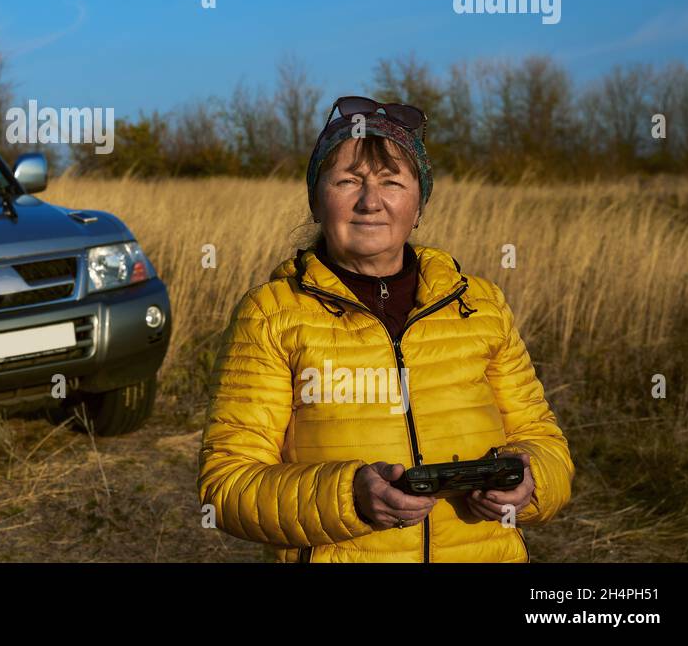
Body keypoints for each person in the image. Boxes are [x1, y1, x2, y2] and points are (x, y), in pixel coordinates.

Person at [197, 96, 574, 561]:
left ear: (419, 206)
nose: (370, 201)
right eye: (347, 181)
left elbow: (543, 441)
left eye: (392, 182)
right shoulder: (271, 313)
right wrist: (348, 496)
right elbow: (227, 484)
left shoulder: (480, 305)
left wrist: (530, 482)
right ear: (317, 201)